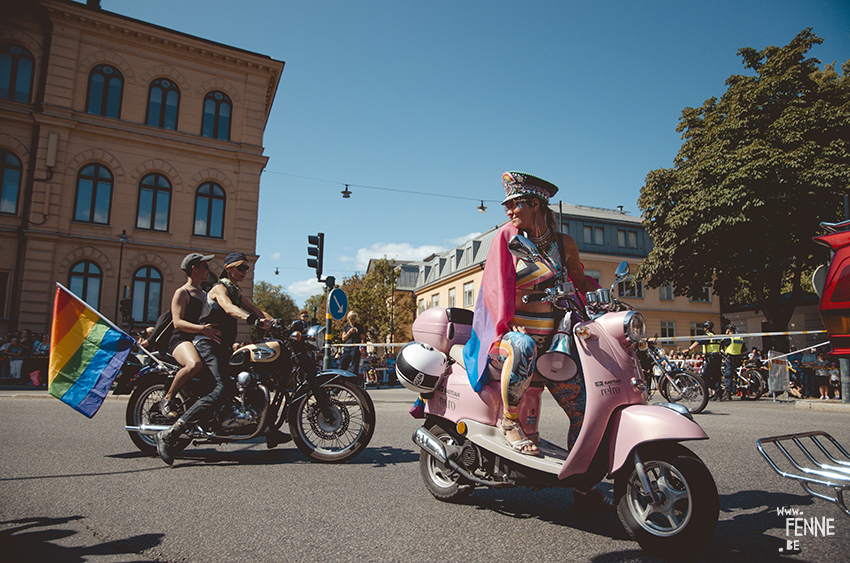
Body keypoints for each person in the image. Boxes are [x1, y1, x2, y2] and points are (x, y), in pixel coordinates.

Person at [461, 171, 606, 507]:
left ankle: (583, 485)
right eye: (507, 205)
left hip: (553, 345)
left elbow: (580, 282)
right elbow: (494, 287)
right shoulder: (506, 238)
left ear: (535, 204)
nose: (509, 211)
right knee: (523, 346)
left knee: (584, 412)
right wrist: (506, 327)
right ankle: (510, 424)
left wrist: (608, 301)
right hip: (513, 339)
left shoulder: (563, 244)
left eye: (515, 204)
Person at [155, 252, 273, 465]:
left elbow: (252, 308)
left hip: (216, 342)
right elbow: (226, 309)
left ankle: (267, 427)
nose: (246, 271)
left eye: (247, 267)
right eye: (242, 267)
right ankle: (170, 428)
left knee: (246, 379)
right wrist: (253, 320)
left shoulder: (224, 291)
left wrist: (276, 321)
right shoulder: (209, 289)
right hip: (194, 340)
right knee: (214, 383)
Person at [159, 253, 221, 420]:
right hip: (181, 340)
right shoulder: (182, 292)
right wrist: (202, 329)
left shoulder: (204, 294)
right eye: (205, 266)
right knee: (194, 365)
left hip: (200, 340)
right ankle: (168, 398)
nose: (209, 270)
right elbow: (177, 322)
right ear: (194, 269)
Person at [689, 321, 722, 400]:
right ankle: (718, 394)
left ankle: (716, 390)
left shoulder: (707, 336)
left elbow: (698, 342)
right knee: (716, 377)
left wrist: (688, 349)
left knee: (705, 377)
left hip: (710, 358)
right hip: (717, 358)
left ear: (706, 328)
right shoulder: (716, 336)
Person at [720, 324, 746, 401]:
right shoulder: (740, 338)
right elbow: (744, 349)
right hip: (738, 358)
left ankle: (728, 394)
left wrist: (725, 335)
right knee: (738, 375)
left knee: (728, 375)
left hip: (730, 358)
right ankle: (743, 392)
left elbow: (720, 344)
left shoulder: (729, 338)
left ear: (728, 330)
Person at [339, 311, 364, 377]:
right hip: (347, 347)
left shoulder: (359, 326)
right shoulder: (346, 327)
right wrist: (349, 332)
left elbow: (362, 338)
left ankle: (354, 381)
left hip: (355, 347)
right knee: (342, 365)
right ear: (349, 318)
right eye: (351, 319)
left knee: (354, 366)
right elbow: (343, 338)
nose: (352, 320)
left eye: (354, 319)